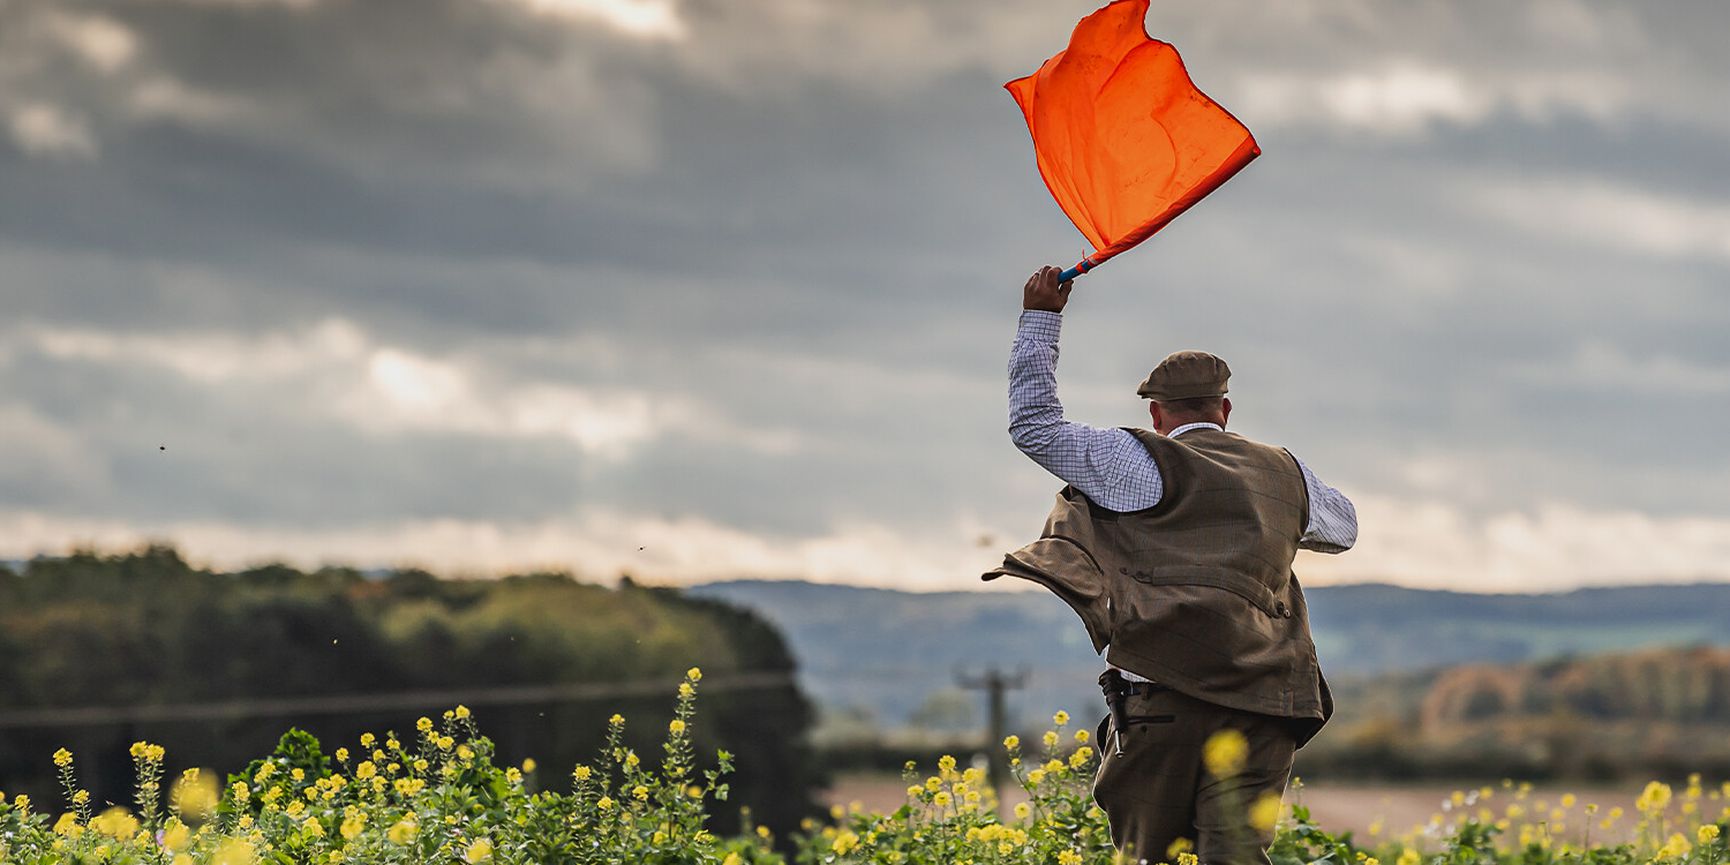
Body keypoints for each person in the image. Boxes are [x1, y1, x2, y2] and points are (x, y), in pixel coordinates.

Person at [984, 265, 1358, 865]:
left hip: (1163, 696)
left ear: (1157, 414)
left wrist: (1040, 319)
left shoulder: (1134, 458)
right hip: (1263, 700)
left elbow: (1034, 427)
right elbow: (1342, 529)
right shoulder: (1284, 471)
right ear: (1226, 409)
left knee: (1148, 856)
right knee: (1235, 857)